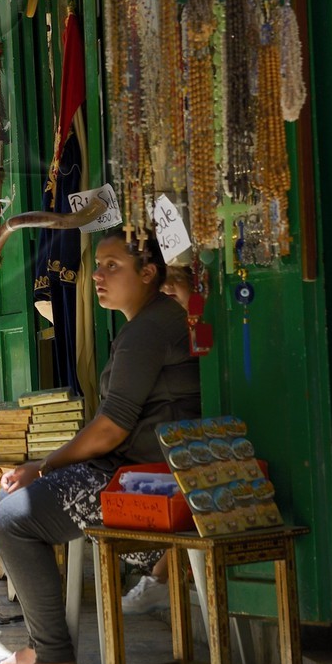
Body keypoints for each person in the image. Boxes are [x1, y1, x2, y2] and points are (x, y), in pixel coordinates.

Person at [0, 230, 200, 664]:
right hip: (142, 469)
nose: (98, 277)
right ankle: (43, 647)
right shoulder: (153, 320)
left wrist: (42, 465)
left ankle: (55, 661)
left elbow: (112, 428)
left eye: (112, 267)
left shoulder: (149, 329)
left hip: (147, 482)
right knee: (12, 505)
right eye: (97, 266)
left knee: (12, 518)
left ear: (148, 274)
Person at [121, 260, 208, 614]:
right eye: (165, 285)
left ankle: (162, 577)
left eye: (178, 283)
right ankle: (161, 576)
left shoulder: (197, 323)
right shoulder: (167, 328)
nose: (168, 291)